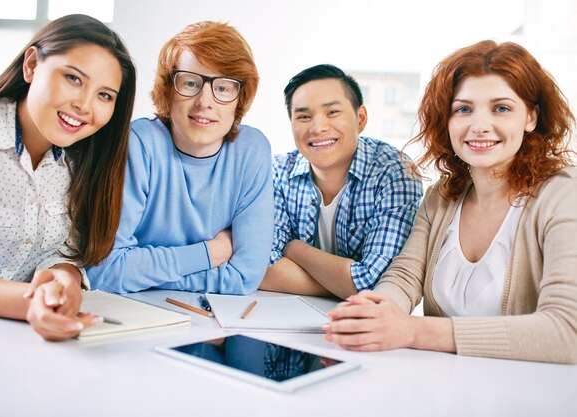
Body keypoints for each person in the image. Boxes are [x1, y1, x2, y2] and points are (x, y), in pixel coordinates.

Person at [325, 40, 577, 364]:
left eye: (501, 108)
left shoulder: (563, 195)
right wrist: (371, 316)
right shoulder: (442, 196)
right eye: (463, 109)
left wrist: (413, 331)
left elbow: (567, 332)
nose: (479, 125)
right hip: (443, 387)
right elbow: (405, 276)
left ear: (531, 116)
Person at [0, 14, 136, 341]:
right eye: (74, 79)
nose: (84, 105)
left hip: (27, 344)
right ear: (32, 65)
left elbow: (65, 254)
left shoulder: (86, 160)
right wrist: (34, 304)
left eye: (104, 95)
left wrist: (65, 283)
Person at [87, 21, 273, 294]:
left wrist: (143, 273)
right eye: (190, 83)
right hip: (138, 313)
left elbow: (244, 278)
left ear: (239, 98)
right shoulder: (138, 144)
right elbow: (103, 270)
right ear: (168, 90)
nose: (204, 102)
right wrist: (211, 253)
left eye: (223, 88)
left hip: (217, 318)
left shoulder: (252, 150)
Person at [259, 64, 423, 299]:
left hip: (362, 328)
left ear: (360, 118)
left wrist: (294, 248)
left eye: (332, 112)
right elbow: (260, 267)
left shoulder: (395, 172)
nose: (318, 127)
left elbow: (378, 282)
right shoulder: (277, 172)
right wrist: (343, 286)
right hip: (286, 318)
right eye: (304, 116)